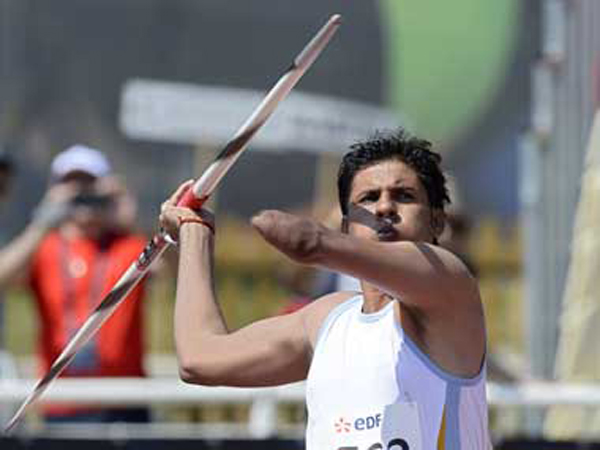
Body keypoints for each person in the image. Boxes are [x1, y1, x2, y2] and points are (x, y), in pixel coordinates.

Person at [160, 129, 491, 449]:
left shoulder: (449, 288)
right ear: (346, 226)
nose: (384, 208)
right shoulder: (327, 320)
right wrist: (195, 231)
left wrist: (263, 221)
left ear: (437, 221)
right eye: (369, 198)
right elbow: (199, 359)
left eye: (404, 196)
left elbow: (307, 241)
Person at [23, 145, 151, 423]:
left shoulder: (128, 244)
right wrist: (42, 221)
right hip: (61, 404)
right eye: (71, 186)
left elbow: (176, 270)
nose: (81, 195)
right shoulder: (44, 246)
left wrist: (130, 217)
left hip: (124, 403)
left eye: (89, 186)